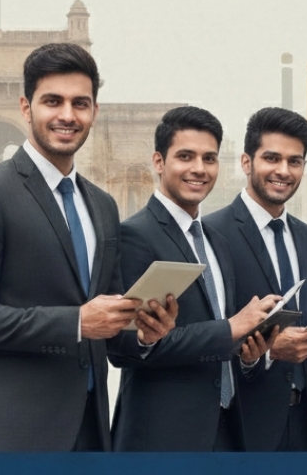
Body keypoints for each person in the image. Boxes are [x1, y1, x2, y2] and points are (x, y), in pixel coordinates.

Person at [0, 42, 177, 451]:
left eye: (80, 103)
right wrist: (75, 322)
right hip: (10, 435)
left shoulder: (102, 206)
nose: (68, 115)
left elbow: (108, 325)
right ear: (25, 107)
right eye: (53, 101)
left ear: (94, 112)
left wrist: (144, 331)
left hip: (90, 430)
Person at [111, 106, 281, 451]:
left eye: (209, 158)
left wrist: (248, 352)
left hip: (227, 430)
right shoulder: (134, 236)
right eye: (185, 156)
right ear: (158, 162)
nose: (199, 169)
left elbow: (220, 337)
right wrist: (231, 327)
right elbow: (124, 348)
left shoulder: (217, 241)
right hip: (162, 438)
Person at [204, 106, 307, 451]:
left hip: (302, 421)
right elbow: (201, 337)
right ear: (246, 162)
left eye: (294, 161)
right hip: (238, 424)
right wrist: (265, 352)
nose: (283, 171)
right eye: (272, 158)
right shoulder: (211, 233)